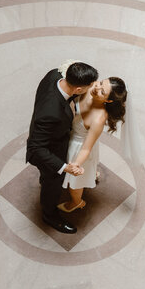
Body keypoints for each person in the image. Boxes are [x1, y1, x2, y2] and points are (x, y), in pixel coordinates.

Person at [26, 62, 98, 234]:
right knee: (52, 184)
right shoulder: (51, 112)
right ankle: (49, 215)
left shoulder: (54, 75)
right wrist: (64, 167)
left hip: (51, 132)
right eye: (89, 87)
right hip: (48, 150)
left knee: (50, 179)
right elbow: (37, 148)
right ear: (79, 89)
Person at [59, 77, 127, 213]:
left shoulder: (99, 118)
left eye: (102, 91)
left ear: (108, 101)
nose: (96, 88)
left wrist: (76, 165)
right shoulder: (91, 86)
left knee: (75, 183)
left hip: (79, 146)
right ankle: (92, 173)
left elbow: (86, 148)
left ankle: (77, 202)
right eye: (101, 83)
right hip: (70, 134)